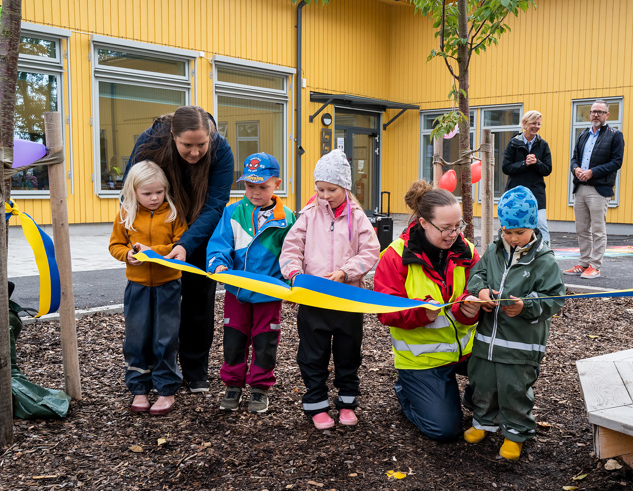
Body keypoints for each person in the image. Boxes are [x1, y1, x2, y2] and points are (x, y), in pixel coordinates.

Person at [126, 106, 235, 394]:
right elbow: (132, 188)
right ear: (173, 136)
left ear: (210, 137)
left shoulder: (221, 152)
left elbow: (215, 205)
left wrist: (186, 243)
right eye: (188, 145)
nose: (196, 152)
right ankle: (154, 368)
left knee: (199, 302)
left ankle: (195, 369)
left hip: (199, 233)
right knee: (158, 306)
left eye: (202, 144)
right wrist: (135, 237)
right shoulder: (151, 142)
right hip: (159, 234)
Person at [279, 149, 381, 430]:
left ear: (345, 187)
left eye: (331, 189)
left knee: (349, 352)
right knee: (313, 354)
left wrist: (346, 271)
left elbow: (371, 250)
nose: (324, 195)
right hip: (313, 299)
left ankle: (347, 402)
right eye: (319, 188)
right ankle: (316, 403)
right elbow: (291, 247)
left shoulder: (358, 218)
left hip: (348, 299)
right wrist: (294, 274)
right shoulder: (309, 215)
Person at [462, 186, 565, 460]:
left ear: (532, 226)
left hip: (521, 345)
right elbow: (477, 275)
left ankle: (515, 432)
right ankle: (483, 421)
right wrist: (481, 292)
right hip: (487, 341)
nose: (513, 237)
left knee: (514, 389)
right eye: (508, 231)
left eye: (520, 232)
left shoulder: (544, 261)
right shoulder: (495, 251)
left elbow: (554, 298)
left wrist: (525, 306)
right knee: (482, 382)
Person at [374, 180, 482, 441]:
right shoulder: (394, 257)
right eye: (445, 228)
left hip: (467, 353)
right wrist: (420, 313)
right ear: (423, 223)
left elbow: (479, 290)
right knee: (445, 431)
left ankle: (475, 395)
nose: (453, 234)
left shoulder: (465, 250)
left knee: (511, 370)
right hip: (422, 360)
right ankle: (407, 391)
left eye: (458, 226)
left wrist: (470, 309)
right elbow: (384, 312)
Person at [206, 153, 296, 414]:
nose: (255, 192)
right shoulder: (232, 213)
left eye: (262, 187)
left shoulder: (288, 218)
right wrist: (218, 264)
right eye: (249, 186)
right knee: (233, 338)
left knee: (265, 341)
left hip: (269, 294)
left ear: (276, 184)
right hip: (236, 292)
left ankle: (259, 387)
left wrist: (292, 282)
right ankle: (232, 384)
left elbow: (294, 254)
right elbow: (219, 244)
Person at [108, 161, 188, 416]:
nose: (154, 198)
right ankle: (139, 387)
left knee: (166, 337)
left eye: (159, 192)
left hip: (168, 286)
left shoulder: (173, 214)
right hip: (137, 286)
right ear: (134, 192)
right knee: (136, 336)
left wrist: (156, 253)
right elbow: (116, 245)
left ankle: (166, 389)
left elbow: (179, 245)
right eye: (147, 193)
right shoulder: (125, 214)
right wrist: (127, 256)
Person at [565, 99, 625, 279]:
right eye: (593, 112)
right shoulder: (583, 134)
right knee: (582, 229)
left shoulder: (615, 135)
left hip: (599, 189)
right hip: (580, 188)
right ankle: (583, 263)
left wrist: (592, 172)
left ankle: (595, 266)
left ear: (607, 115)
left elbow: (616, 162)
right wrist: (576, 169)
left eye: (600, 112)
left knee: (598, 229)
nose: (596, 115)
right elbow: (574, 158)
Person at [502, 110, 553, 247]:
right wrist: (525, 163)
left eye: (539, 124)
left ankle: (547, 254)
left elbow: (547, 170)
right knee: (513, 225)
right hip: (516, 192)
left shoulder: (543, 145)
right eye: (533, 123)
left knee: (541, 225)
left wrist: (536, 163)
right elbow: (506, 168)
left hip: (537, 192)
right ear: (525, 124)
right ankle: (512, 253)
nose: (536, 126)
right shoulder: (513, 143)